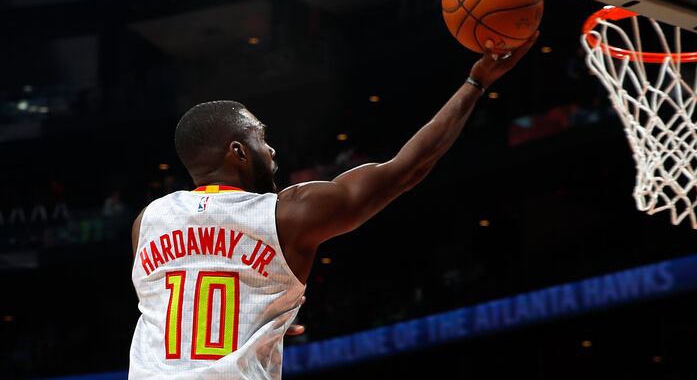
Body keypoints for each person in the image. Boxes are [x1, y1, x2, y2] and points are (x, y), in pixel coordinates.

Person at [128, 33, 539, 379]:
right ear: (237, 151)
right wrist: (476, 82)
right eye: (260, 139)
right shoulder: (284, 215)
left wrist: (257, 320)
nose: (271, 151)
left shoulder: (147, 221)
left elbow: (173, 306)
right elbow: (405, 170)